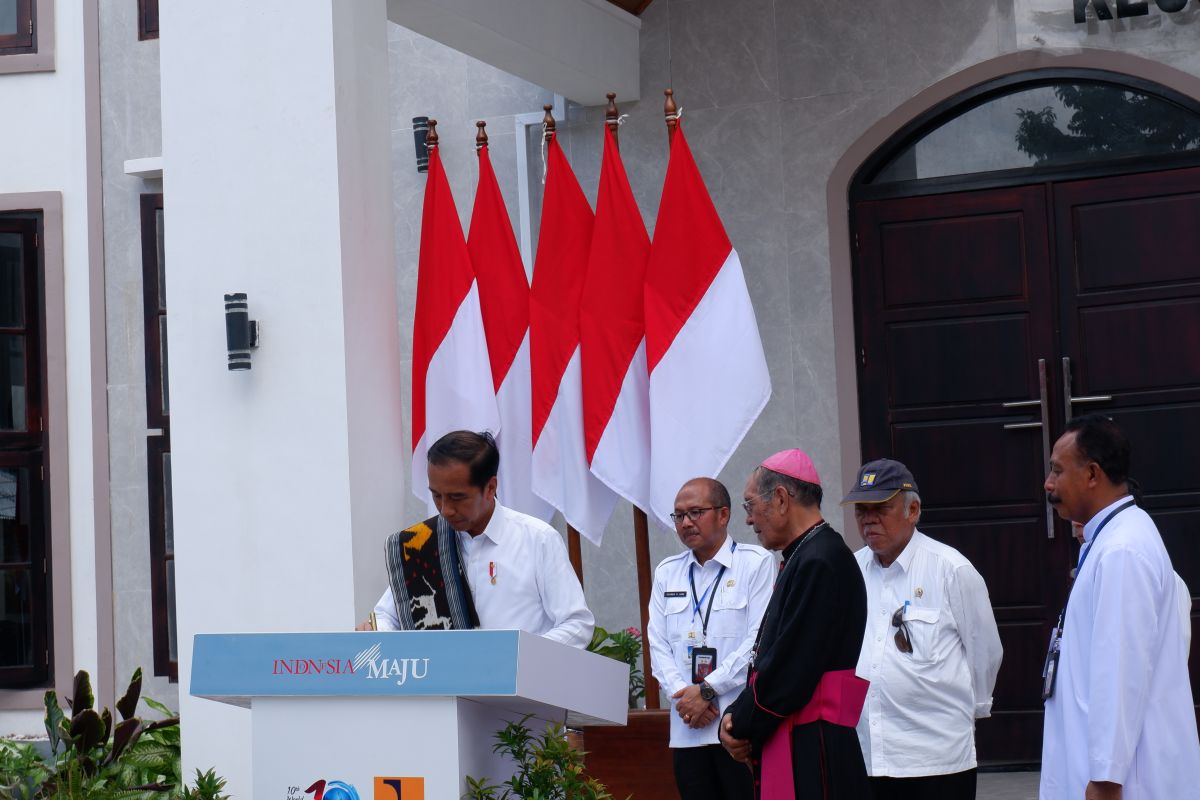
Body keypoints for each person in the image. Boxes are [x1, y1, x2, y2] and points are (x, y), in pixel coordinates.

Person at [1041, 414, 1200, 800]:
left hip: (1122, 783)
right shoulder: (1109, 541)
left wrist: (1106, 778)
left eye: (1057, 471)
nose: (1048, 484)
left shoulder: (1122, 550)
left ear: (1092, 474)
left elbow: (1120, 670)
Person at [842, 458, 1002, 800]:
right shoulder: (849, 571)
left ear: (912, 510)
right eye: (861, 510)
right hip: (867, 753)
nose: (868, 518)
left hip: (936, 758)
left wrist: (964, 712)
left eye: (880, 508)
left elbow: (985, 652)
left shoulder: (951, 569)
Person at [718, 449, 870, 800]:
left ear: (782, 499)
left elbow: (790, 667)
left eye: (749, 505)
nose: (748, 520)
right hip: (800, 733)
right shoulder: (808, 554)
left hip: (813, 743)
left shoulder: (820, 560)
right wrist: (736, 715)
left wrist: (738, 723)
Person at [363, 430, 593, 647]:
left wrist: (517, 658)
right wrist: (376, 631)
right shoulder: (420, 544)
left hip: (521, 685)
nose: (445, 509)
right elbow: (387, 616)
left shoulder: (538, 539)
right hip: (444, 686)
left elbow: (577, 624)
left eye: (457, 497)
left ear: (490, 487)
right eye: (436, 496)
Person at [647, 478, 774, 800]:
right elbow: (657, 645)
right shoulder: (667, 572)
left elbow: (759, 641)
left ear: (723, 514)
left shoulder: (755, 564)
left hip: (736, 726)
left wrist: (707, 689)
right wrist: (685, 697)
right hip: (686, 728)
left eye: (695, 512)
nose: (686, 522)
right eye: (678, 516)